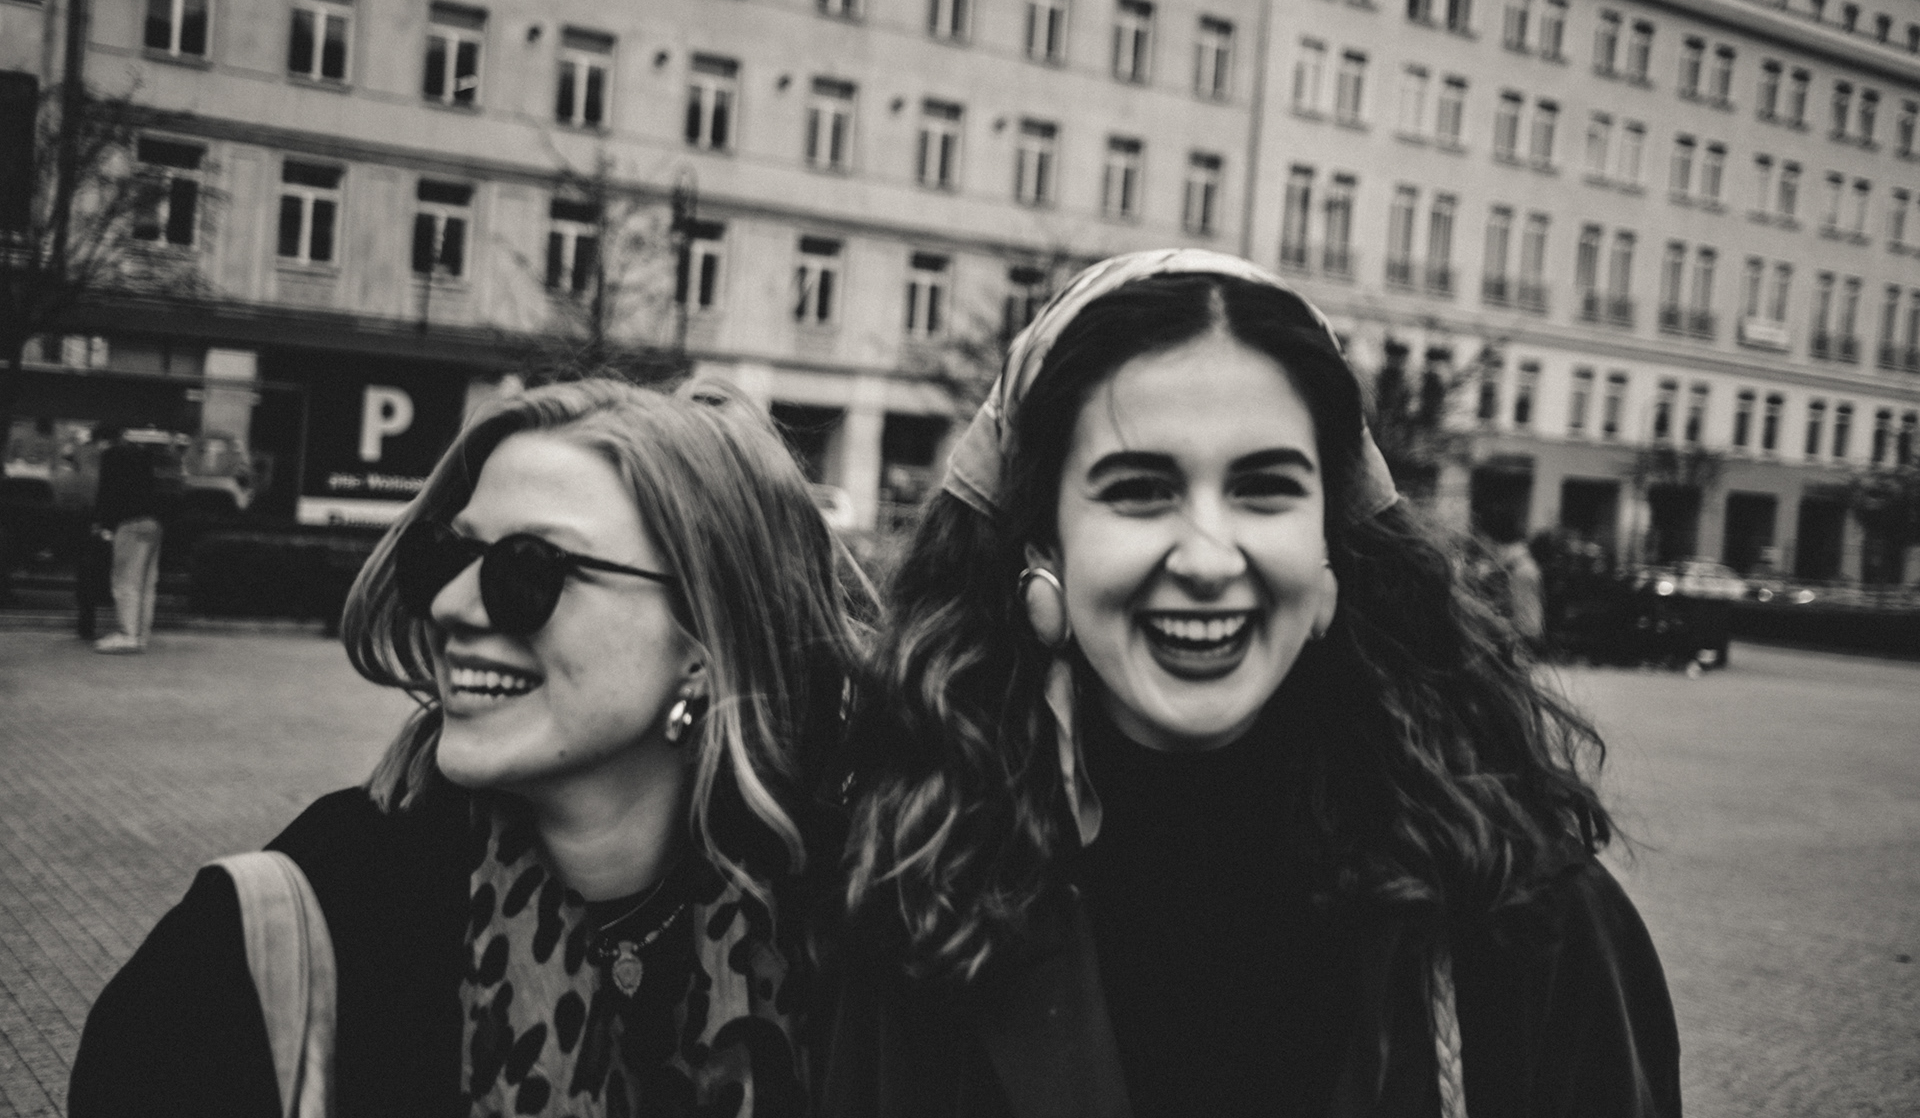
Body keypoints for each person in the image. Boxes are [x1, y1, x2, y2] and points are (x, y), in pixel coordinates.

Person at [826, 250, 1679, 1118]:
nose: (1208, 560)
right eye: (1140, 489)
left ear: (1330, 544)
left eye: (1264, 489)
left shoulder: (1522, 918)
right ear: (1044, 546)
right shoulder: (924, 901)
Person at [71, 378, 865, 1116]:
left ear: (705, 640)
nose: (451, 604)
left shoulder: (835, 939)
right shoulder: (276, 939)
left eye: (530, 567)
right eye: (446, 556)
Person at [90, 423, 166, 653]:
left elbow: (107, 491)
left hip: (129, 524)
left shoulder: (111, 455)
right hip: (152, 523)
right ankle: (141, 635)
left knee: (126, 581)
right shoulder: (143, 454)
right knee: (146, 583)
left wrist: (103, 524)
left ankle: (127, 634)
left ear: (102, 440)